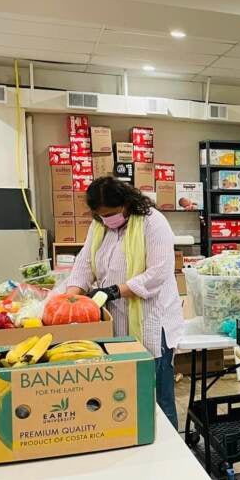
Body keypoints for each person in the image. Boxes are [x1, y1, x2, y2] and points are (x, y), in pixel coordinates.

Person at [66, 177, 183, 429]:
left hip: (152, 321)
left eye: (110, 213)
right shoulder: (99, 226)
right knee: (123, 390)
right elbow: (84, 264)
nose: (106, 219)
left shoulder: (152, 223)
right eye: (100, 215)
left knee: (157, 394)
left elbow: (159, 273)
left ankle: (170, 451)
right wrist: (71, 298)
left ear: (126, 204)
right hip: (116, 321)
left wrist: (115, 291)